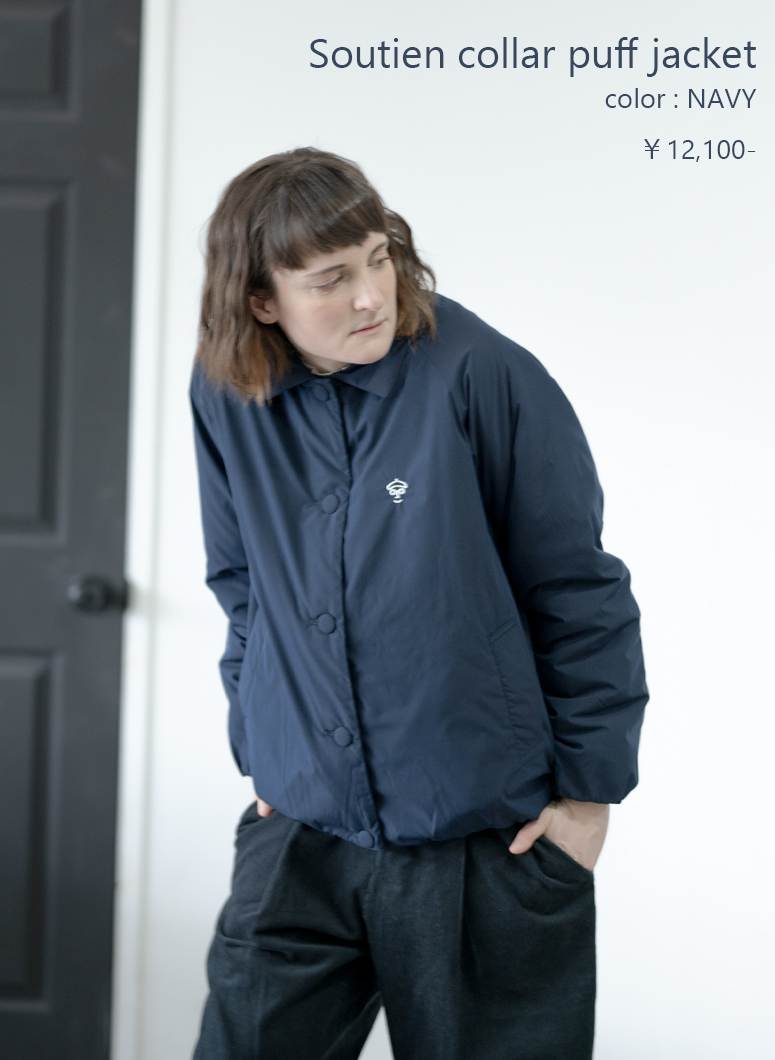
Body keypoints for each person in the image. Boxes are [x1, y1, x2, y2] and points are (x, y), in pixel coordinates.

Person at [189, 147, 647, 1060]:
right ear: (261, 300)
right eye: (330, 279)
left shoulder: (482, 372)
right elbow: (242, 585)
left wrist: (587, 800)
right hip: (299, 835)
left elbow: (576, 590)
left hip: (485, 842)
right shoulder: (227, 391)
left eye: (377, 259)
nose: (371, 296)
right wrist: (265, 741)